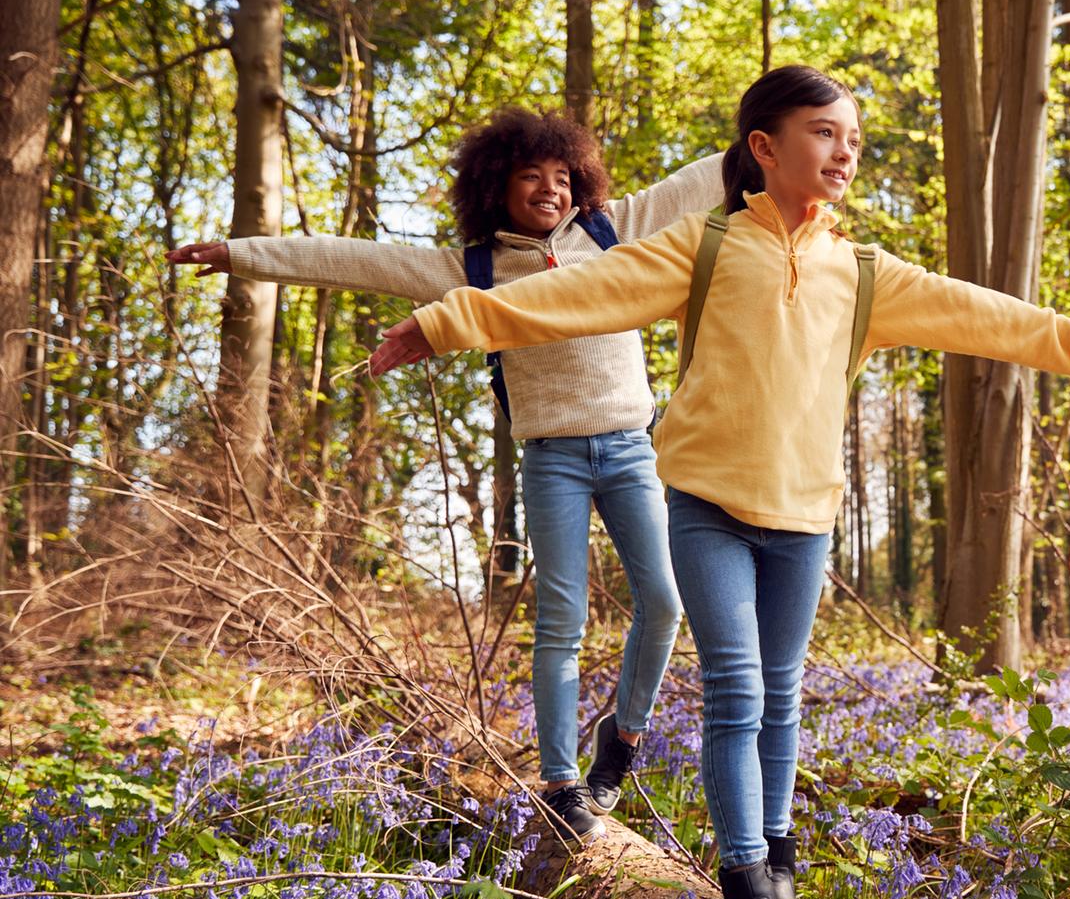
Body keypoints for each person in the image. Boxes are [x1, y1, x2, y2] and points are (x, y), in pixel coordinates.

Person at [370, 66, 1070, 899]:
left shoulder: (863, 272)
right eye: (825, 134)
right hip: (705, 505)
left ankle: (780, 873)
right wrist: (448, 322)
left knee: (782, 699)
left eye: (854, 141)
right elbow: (574, 294)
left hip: (804, 518)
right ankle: (746, 889)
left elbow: (977, 311)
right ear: (764, 147)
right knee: (738, 690)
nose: (844, 154)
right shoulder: (701, 249)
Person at [170, 107, 722, 843]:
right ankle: (562, 784)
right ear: (498, 187)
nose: (551, 191)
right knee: (561, 622)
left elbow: (706, 177)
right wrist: (242, 253)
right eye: (533, 178)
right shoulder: (473, 271)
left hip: (630, 448)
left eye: (563, 177)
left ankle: (621, 741)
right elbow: (354, 259)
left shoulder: (610, 231)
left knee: (663, 603)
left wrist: (787, 132)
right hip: (552, 458)